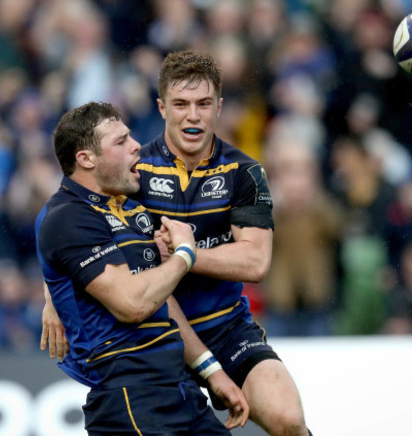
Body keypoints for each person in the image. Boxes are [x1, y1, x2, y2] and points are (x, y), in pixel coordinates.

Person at [43, 51, 310, 435]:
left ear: (219, 106)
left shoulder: (245, 172)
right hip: (155, 331)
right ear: (162, 108)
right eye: (180, 104)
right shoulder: (131, 169)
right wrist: (52, 293)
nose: (193, 115)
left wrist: (182, 254)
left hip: (225, 328)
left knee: (289, 420)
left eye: (203, 104)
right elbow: (67, 216)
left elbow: (255, 263)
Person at [35, 101, 248, 435]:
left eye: (130, 136)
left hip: (179, 390)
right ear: (86, 159)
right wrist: (184, 254)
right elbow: (132, 305)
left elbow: (157, 296)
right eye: (120, 142)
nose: (136, 146)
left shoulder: (132, 211)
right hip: (129, 396)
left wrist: (211, 371)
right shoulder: (68, 217)